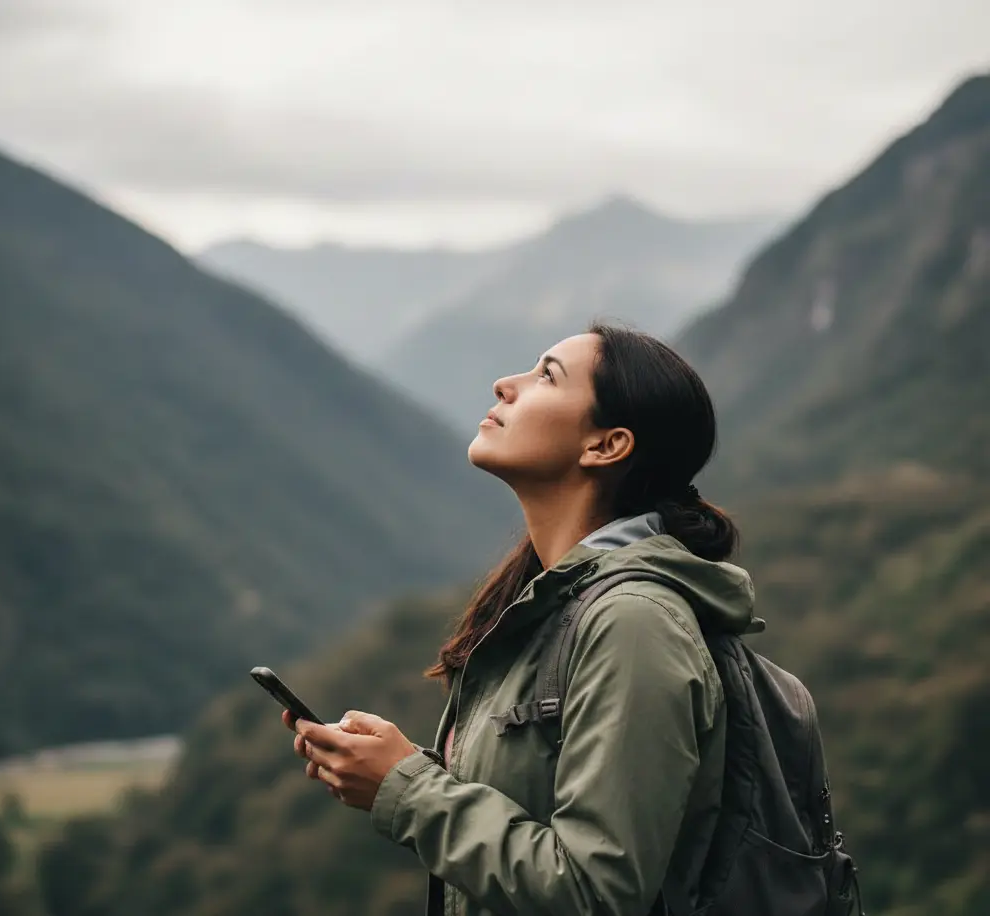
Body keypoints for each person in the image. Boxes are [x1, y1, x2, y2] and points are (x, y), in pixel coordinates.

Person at [283, 323, 756, 916]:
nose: (505, 384)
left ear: (606, 445)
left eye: (547, 377)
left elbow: (596, 890)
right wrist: (400, 767)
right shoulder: (555, 606)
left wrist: (406, 789)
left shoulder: (633, 625)